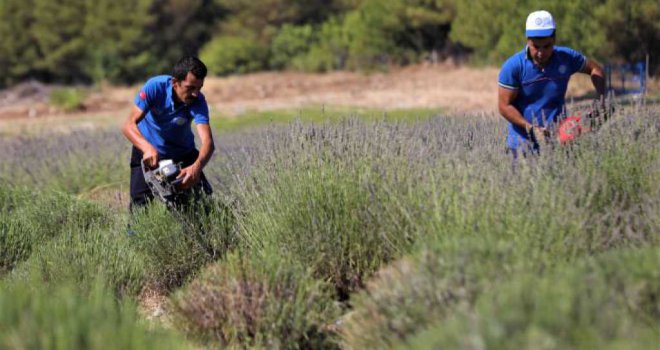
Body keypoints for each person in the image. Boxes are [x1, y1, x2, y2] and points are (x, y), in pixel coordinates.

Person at [498, 10, 606, 157]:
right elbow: (504, 106)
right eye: (536, 46)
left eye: (547, 46)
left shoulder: (566, 58)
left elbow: (595, 68)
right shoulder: (513, 66)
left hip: (560, 142)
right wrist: (532, 128)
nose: (541, 52)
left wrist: (602, 100)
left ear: (554, 39)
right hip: (522, 146)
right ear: (528, 40)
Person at [122, 56, 215, 210]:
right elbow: (128, 124)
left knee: (201, 205)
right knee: (139, 207)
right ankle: (135, 234)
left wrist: (195, 168)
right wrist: (147, 148)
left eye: (199, 88)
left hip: (183, 153)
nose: (195, 94)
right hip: (147, 152)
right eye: (190, 87)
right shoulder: (155, 86)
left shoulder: (198, 101)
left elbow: (208, 143)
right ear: (174, 83)